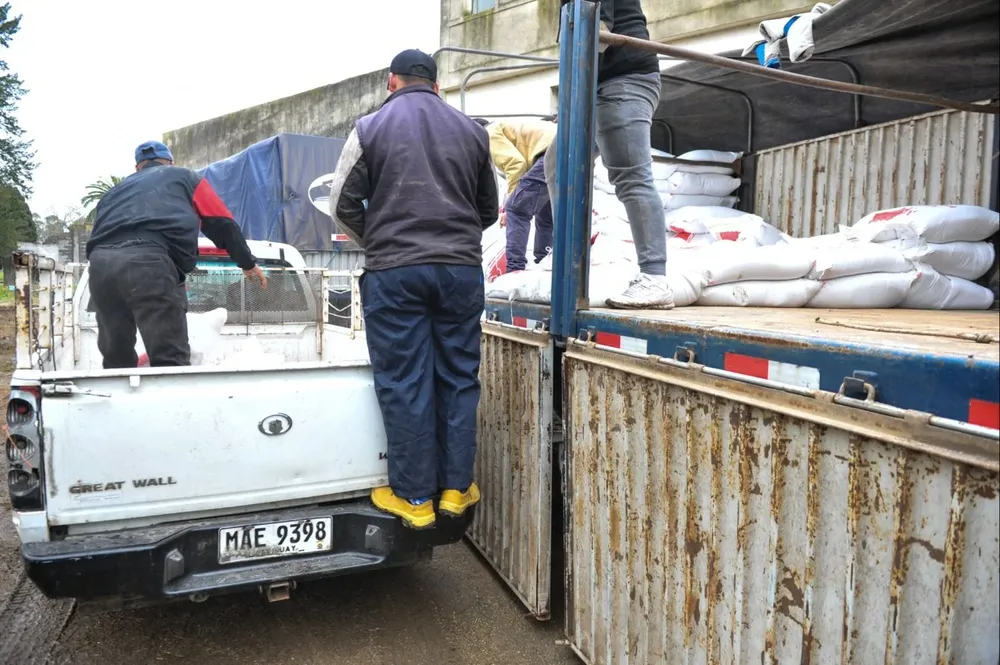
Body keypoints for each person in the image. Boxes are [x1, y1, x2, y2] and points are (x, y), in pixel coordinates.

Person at [328, 49, 499, 530]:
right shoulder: (473, 131)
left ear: (391, 82)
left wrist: (380, 240)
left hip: (395, 272)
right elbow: (488, 209)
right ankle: (455, 489)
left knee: (405, 381)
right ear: (437, 86)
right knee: (459, 377)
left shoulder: (369, 127)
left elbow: (341, 202)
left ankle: (413, 497)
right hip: (460, 271)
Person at [86, 141, 267, 368]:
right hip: (150, 264)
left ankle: (120, 396)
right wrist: (247, 263)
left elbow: (100, 233)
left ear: (137, 168)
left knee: (116, 358)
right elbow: (221, 222)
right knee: (169, 361)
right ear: (170, 162)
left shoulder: (114, 193)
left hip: (101, 266)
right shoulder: (185, 178)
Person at [548, 0, 673, 309]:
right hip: (598, 84)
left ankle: (655, 278)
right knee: (557, 163)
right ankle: (568, 262)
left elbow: (596, 32)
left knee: (631, 175)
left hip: (624, 80)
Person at [474, 116, 556, 272]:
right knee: (546, 215)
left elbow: (516, 165)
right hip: (568, 150)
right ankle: (544, 264)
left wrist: (509, 202)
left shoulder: (488, 134)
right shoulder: (505, 127)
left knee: (516, 209)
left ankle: (515, 269)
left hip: (551, 152)